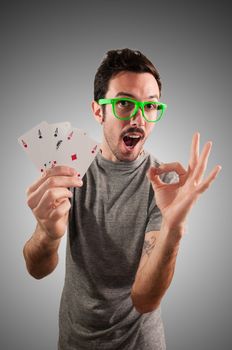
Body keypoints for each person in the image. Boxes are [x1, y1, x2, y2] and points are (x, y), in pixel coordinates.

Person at [23, 48, 221, 350]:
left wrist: (173, 230)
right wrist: (47, 234)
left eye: (151, 106)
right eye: (125, 103)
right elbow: (37, 268)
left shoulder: (164, 185)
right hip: (75, 340)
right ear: (98, 110)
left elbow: (145, 299)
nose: (139, 118)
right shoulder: (70, 172)